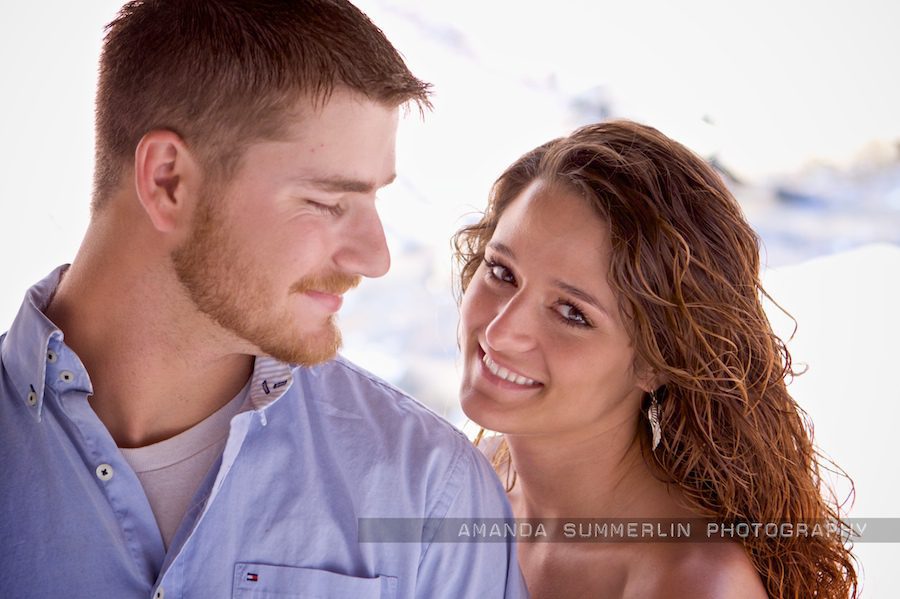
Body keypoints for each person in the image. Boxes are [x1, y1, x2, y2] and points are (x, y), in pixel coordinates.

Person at [0, 2, 526, 597]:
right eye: (329, 202)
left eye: (373, 199)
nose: (374, 258)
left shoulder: (433, 492)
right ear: (169, 180)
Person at [453, 120, 858, 597]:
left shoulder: (693, 582)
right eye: (502, 271)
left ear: (658, 360)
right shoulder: (479, 478)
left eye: (572, 313)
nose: (500, 333)